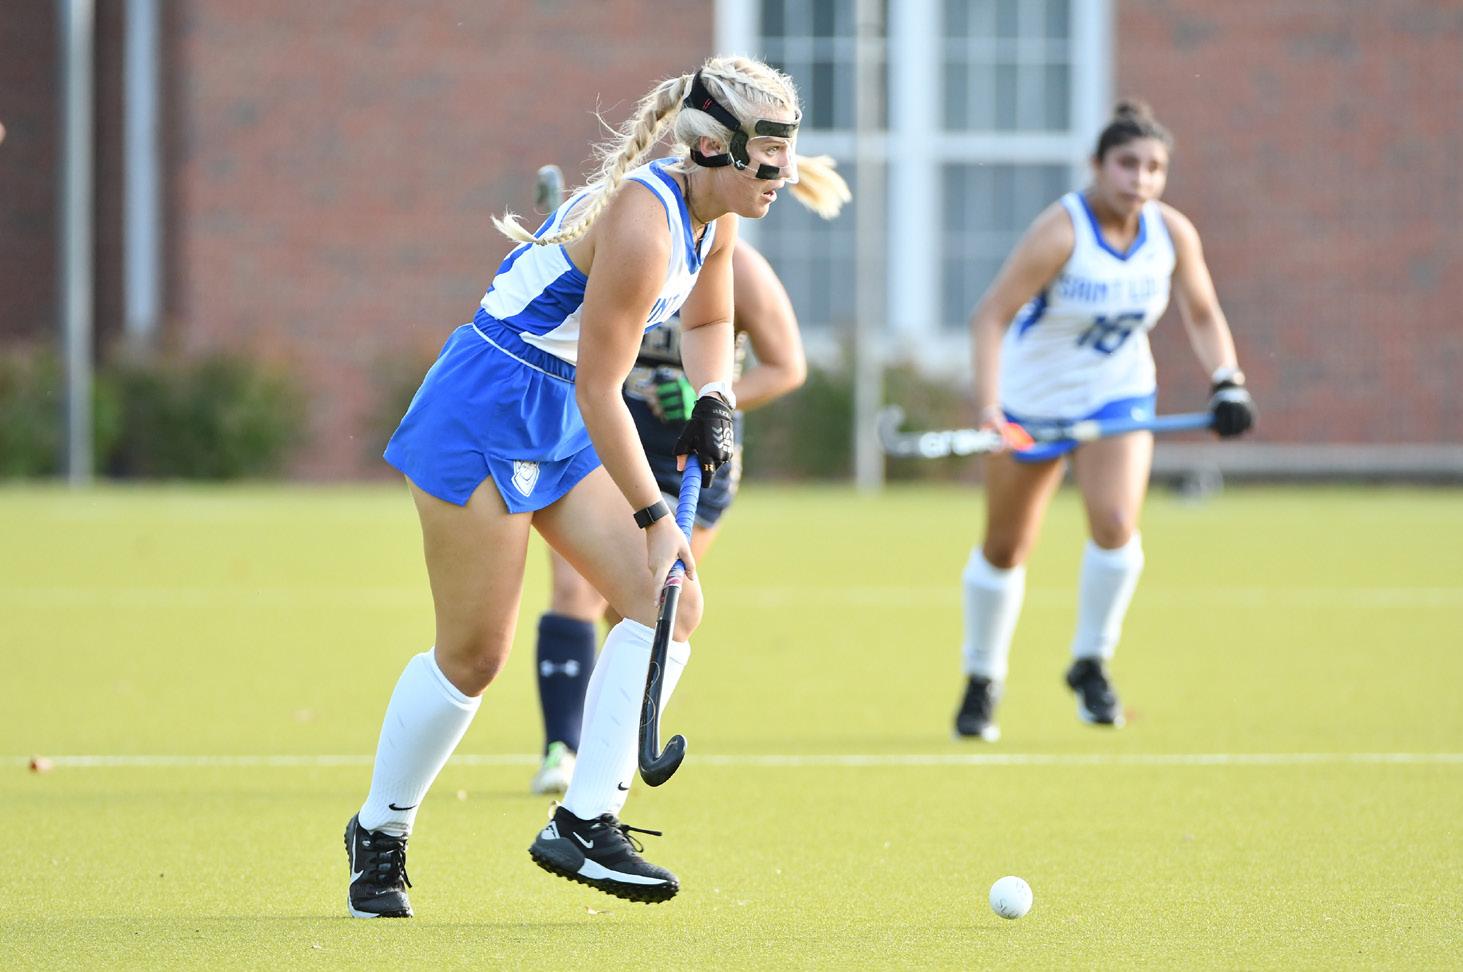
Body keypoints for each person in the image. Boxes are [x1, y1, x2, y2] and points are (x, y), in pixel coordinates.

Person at [342, 57, 841, 918]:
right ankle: (378, 833)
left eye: (788, 153)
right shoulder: (646, 222)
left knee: (669, 606)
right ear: (714, 148)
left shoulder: (714, 215)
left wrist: (714, 400)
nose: (784, 175)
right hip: (490, 402)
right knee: (474, 656)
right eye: (768, 155)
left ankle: (584, 823)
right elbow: (598, 388)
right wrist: (652, 514)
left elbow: (711, 321)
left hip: (561, 409)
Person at [952, 100, 1255, 742]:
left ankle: (1090, 662)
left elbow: (1202, 312)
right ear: (1097, 166)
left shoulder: (1173, 233)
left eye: (1153, 168)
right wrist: (991, 411)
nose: (1139, 180)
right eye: (1126, 165)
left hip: (1118, 399)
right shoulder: (1062, 232)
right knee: (1006, 547)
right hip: (1033, 404)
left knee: (1117, 525)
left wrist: (1228, 379)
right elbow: (990, 317)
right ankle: (983, 679)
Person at [530, 230, 835, 795]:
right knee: (574, 593)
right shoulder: (624, 248)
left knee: (641, 610)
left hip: (693, 466)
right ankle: (562, 751)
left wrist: (713, 398)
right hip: (604, 451)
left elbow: (786, 367)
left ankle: (603, 768)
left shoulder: (738, 266)